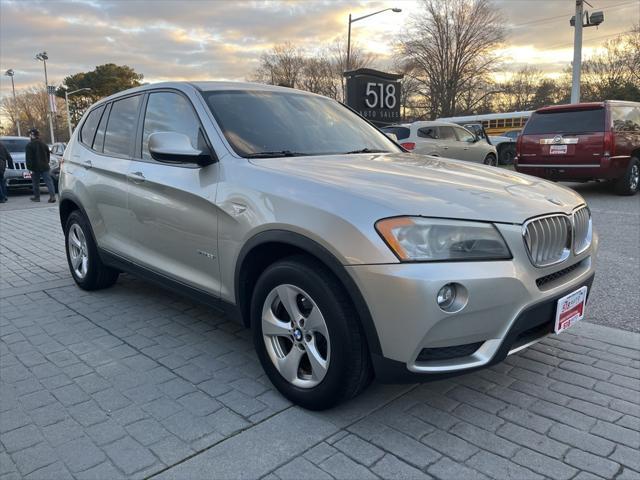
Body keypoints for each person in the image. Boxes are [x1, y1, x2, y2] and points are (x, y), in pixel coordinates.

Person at [25, 128, 56, 203]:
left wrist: (29, 168)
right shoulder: (44, 144)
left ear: (32, 135)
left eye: (30, 134)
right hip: (45, 166)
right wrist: (47, 162)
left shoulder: (29, 145)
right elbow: (48, 154)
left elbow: (28, 158)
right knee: (49, 182)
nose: (30, 136)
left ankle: (37, 197)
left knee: (35, 183)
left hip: (35, 167)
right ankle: (52, 197)